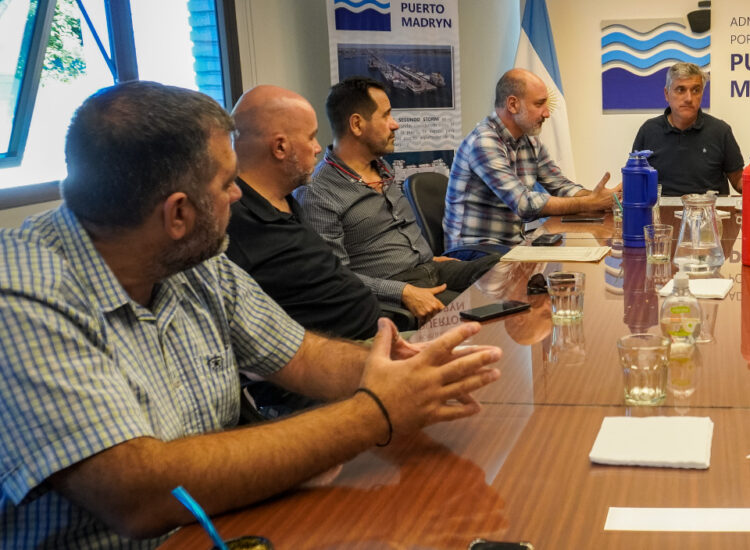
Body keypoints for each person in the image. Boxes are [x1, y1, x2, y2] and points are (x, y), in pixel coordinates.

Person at [0, 81, 502, 548]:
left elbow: (301, 355)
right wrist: (374, 412)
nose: (240, 193)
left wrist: (404, 373)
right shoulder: (21, 298)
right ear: (177, 214)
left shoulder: (191, 261)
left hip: (229, 525)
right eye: (226, 183)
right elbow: (140, 493)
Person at [297, 77, 499, 318]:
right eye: (386, 116)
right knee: (482, 310)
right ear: (357, 124)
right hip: (395, 290)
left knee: (508, 269)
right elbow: (334, 277)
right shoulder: (318, 192)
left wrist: (424, 255)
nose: (395, 125)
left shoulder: (382, 169)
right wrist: (402, 292)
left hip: (431, 268)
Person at [226, 85, 383, 340]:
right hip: (342, 358)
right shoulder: (236, 221)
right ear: (280, 147)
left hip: (377, 334)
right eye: (311, 137)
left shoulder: (285, 199)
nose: (318, 148)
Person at [443, 68, 616, 257]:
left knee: (568, 276)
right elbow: (524, 205)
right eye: (539, 104)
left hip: (512, 246)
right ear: (512, 104)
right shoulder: (484, 142)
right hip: (474, 252)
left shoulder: (529, 141)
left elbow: (561, 186)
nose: (547, 113)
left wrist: (601, 198)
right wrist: (589, 203)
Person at [630, 62, 744, 196]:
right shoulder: (648, 131)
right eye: (680, 90)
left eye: (696, 90)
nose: (689, 98)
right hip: (660, 213)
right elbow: (635, 180)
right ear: (667, 94)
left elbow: (738, 182)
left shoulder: (720, 131)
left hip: (710, 213)